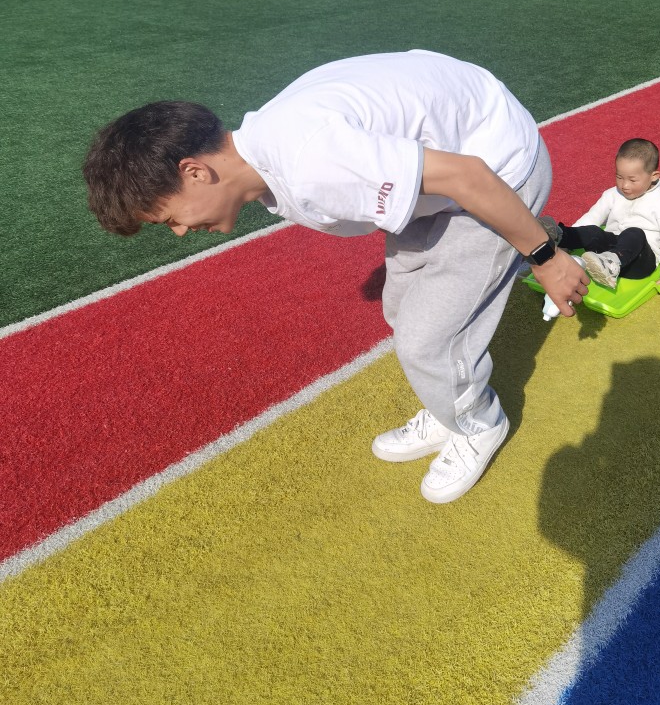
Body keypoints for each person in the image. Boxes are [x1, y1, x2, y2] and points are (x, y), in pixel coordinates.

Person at [83, 50, 588, 504]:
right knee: (401, 308)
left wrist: (545, 257)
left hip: (500, 169)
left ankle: (478, 424)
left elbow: (470, 176)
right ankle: (447, 407)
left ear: (195, 172)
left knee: (429, 339)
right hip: (449, 167)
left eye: (170, 218)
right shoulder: (267, 148)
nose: (178, 231)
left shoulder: (313, 162)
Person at [541, 138, 660, 293]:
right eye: (619, 177)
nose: (624, 185)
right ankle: (560, 236)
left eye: (632, 180)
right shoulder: (612, 194)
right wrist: (570, 242)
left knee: (634, 233)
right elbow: (592, 217)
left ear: (653, 176)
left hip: (640, 261)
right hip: (607, 252)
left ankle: (611, 265)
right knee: (593, 231)